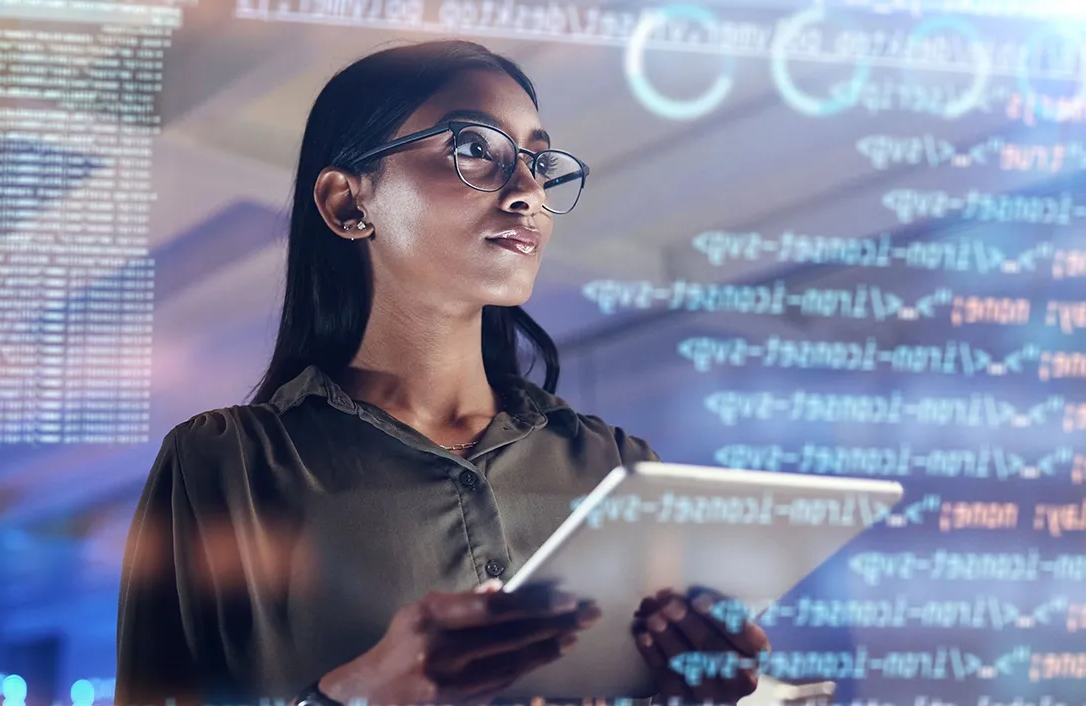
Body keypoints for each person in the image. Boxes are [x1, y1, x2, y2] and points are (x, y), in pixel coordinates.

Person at [115, 40, 770, 706]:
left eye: (538, 163)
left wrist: (694, 695)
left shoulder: (615, 466)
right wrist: (359, 693)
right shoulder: (227, 467)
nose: (526, 193)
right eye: (476, 150)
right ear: (347, 203)